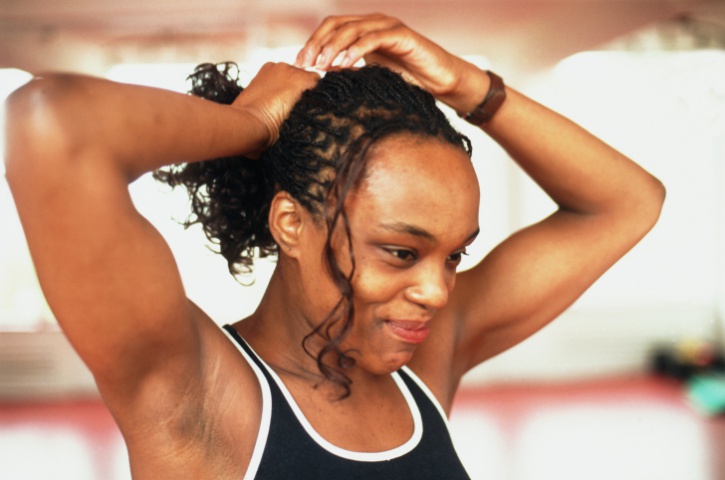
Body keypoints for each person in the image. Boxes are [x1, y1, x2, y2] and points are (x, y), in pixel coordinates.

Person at [4, 13, 664, 479]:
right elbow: (50, 126)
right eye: (401, 253)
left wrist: (467, 85)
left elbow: (628, 202)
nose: (436, 291)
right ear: (291, 223)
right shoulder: (194, 395)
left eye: (453, 256)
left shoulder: (422, 364)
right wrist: (253, 123)